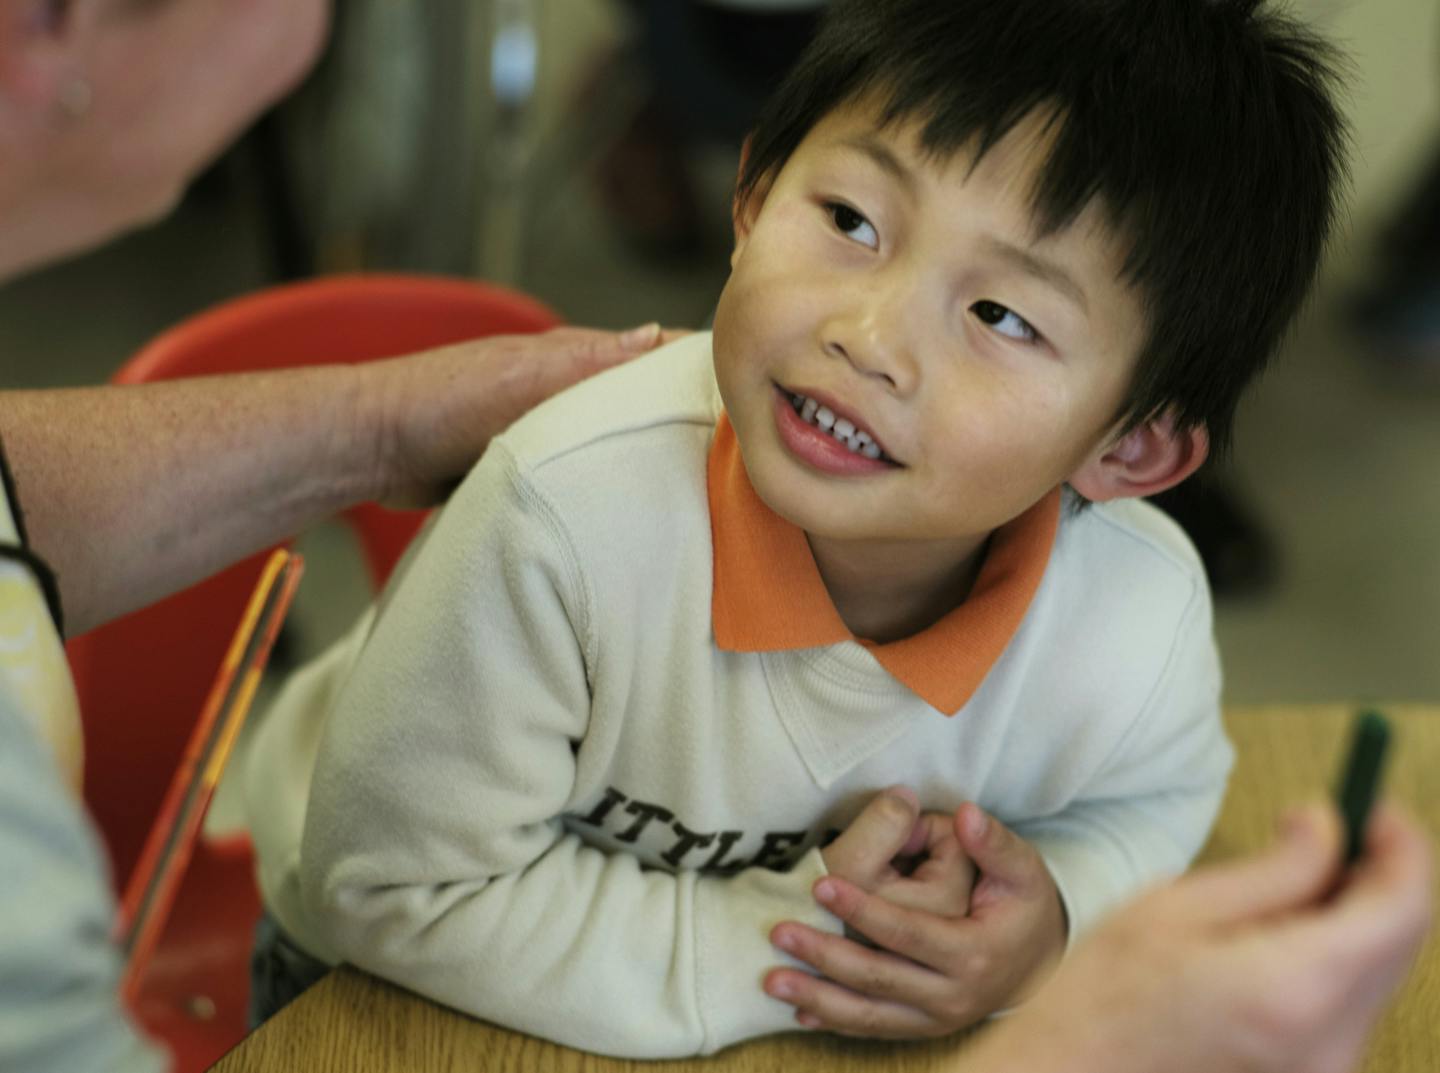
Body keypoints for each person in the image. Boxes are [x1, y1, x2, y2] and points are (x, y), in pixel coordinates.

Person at [0, 2, 1427, 1073]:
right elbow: (393, 889)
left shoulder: (1138, 615)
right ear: (750, 200)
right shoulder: (570, 510)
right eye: (852, 217)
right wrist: (809, 951)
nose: (867, 335)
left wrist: (1050, 916)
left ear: (1137, 449)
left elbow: (1155, 801)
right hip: (389, 984)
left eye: (1002, 317)